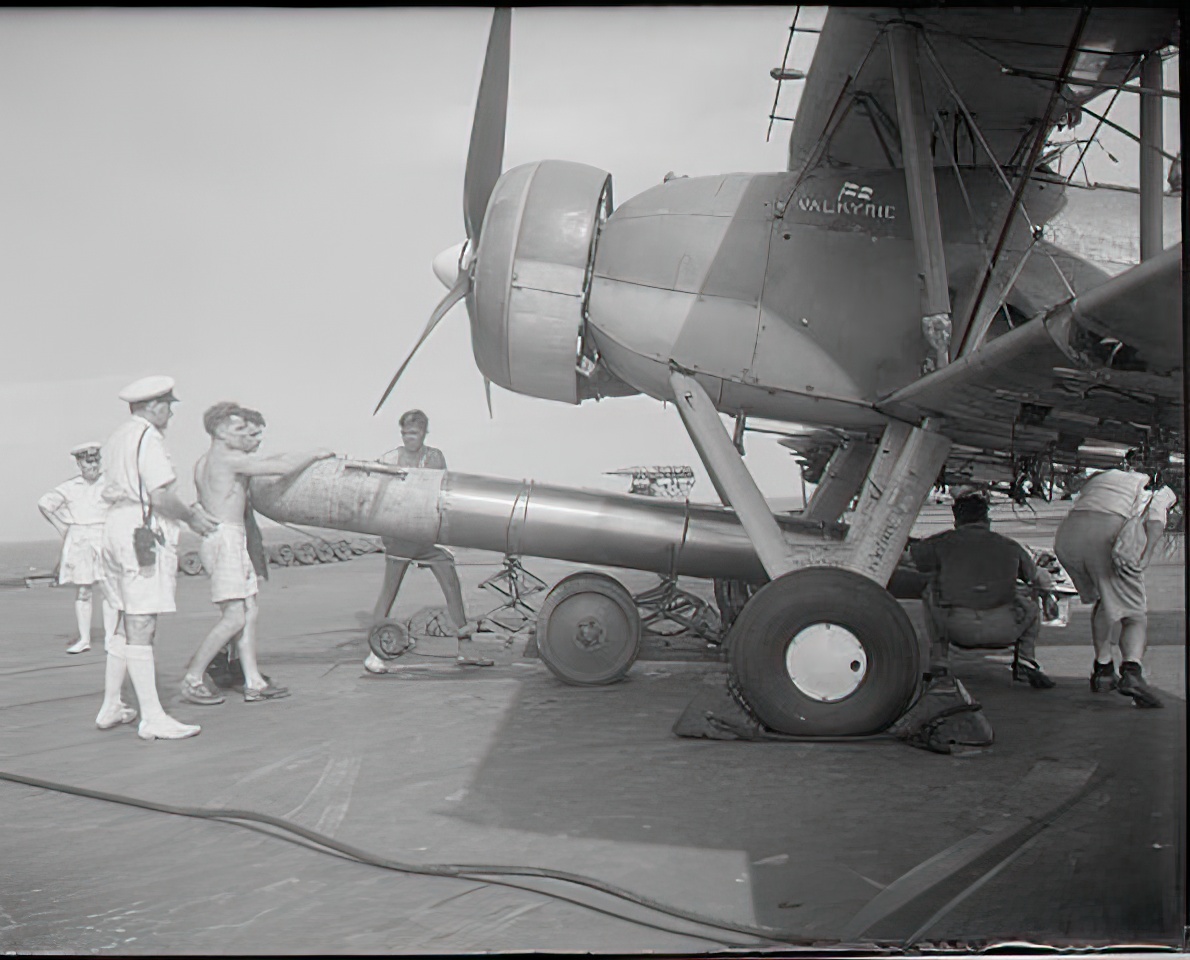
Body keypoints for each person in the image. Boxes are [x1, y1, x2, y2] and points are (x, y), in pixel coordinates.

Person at [179, 402, 334, 705]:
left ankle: (254, 682)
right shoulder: (228, 459)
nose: (244, 434)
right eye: (238, 429)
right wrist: (315, 454)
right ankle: (193, 677)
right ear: (220, 432)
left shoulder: (203, 461)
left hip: (227, 538)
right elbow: (281, 467)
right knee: (235, 616)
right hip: (226, 540)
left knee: (249, 612)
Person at [96, 376, 219, 740]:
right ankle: (152, 717)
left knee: (123, 618)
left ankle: (111, 705)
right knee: (143, 621)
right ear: (153, 406)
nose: (171, 412)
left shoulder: (118, 436)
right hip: (142, 528)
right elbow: (162, 494)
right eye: (168, 404)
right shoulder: (148, 437)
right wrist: (193, 517)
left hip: (115, 527)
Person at [1054, 451, 1178, 708]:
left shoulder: (1104, 476)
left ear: (1127, 463)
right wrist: (1145, 557)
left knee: (1104, 598)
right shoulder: (1158, 487)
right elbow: (1155, 522)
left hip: (1068, 538)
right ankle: (1132, 672)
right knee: (1135, 615)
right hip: (1105, 538)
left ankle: (1103, 670)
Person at [911, 492, 1057, 689]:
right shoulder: (1011, 546)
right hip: (1006, 629)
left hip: (956, 627)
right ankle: (1025, 658)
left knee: (930, 591)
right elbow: (1034, 577)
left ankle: (939, 659)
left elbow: (916, 562)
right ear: (987, 520)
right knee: (1031, 597)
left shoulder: (941, 542)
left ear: (956, 520)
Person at [366, 409, 474, 674]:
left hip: (425, 536)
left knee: (450, 579)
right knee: (388, 592)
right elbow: (376, 495)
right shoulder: (390, 458)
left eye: (413, 433)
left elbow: (441, 494)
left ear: (424, 433)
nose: (408, 438)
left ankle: (466, 647)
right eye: (404, 433)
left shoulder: (435, 457)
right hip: (400, 536)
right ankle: (374, 653)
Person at [38, 442, 121, 654]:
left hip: (104, 535)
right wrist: (61, 526)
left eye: (96, 460)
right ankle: (84, 639)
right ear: (79, 463)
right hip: (80, 538)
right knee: (83, 590)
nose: (92, 465)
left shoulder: (111, 483)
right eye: (87, 461)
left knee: (108, 588)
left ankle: (111, 638)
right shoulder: (70, 487)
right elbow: (45, 504)